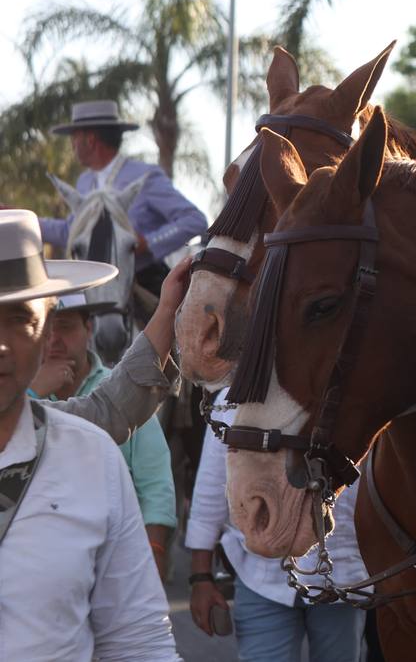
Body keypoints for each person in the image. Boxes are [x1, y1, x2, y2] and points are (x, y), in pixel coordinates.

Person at [0, 209, 180, 661]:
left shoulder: (87, 455)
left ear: (46, 330)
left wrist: (170, 313)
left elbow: (140, 642)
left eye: (18, 316)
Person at [186, 391, 368, 662]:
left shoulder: (361, 393)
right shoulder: (237, 396)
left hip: (343, 577)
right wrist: (201, 577)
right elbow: (210, 492)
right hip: (260, 577)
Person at [31, 290, 177, 577]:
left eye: (66, 326)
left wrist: (155, 551)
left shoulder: (114, 388)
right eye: (46, 328)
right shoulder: (18, 393)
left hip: (116, 560)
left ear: (89, 329)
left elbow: (155, 482)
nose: (55, 340)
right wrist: (32, 391)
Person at [38, 100, 207, 295]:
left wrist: (149, 243)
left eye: (74, 138)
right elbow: (70, 232)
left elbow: (194, 220)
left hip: (141, 281)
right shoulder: (84, 182)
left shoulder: (145, 176)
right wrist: (24, 221)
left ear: (91, 139)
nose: (72, 145)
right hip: (92, 286)